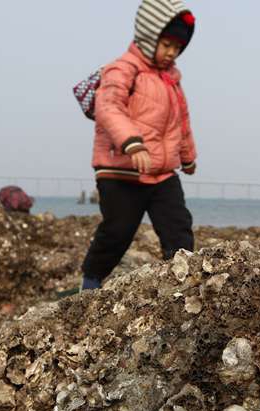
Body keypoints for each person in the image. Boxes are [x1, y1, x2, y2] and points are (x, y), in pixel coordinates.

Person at [80, 0, 198, 291]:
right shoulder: (122, 69)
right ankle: (91, 281)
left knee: (178, 227)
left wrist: (187, 156)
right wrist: (132, 143)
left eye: (178, 47)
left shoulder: (171, 80)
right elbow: (109, 107)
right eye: (166, 44)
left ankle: (184, 284)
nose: (172, 52)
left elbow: (181, 121)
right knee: (117, 232)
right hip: (121, 171)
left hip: (162, 173)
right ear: (148, 35)